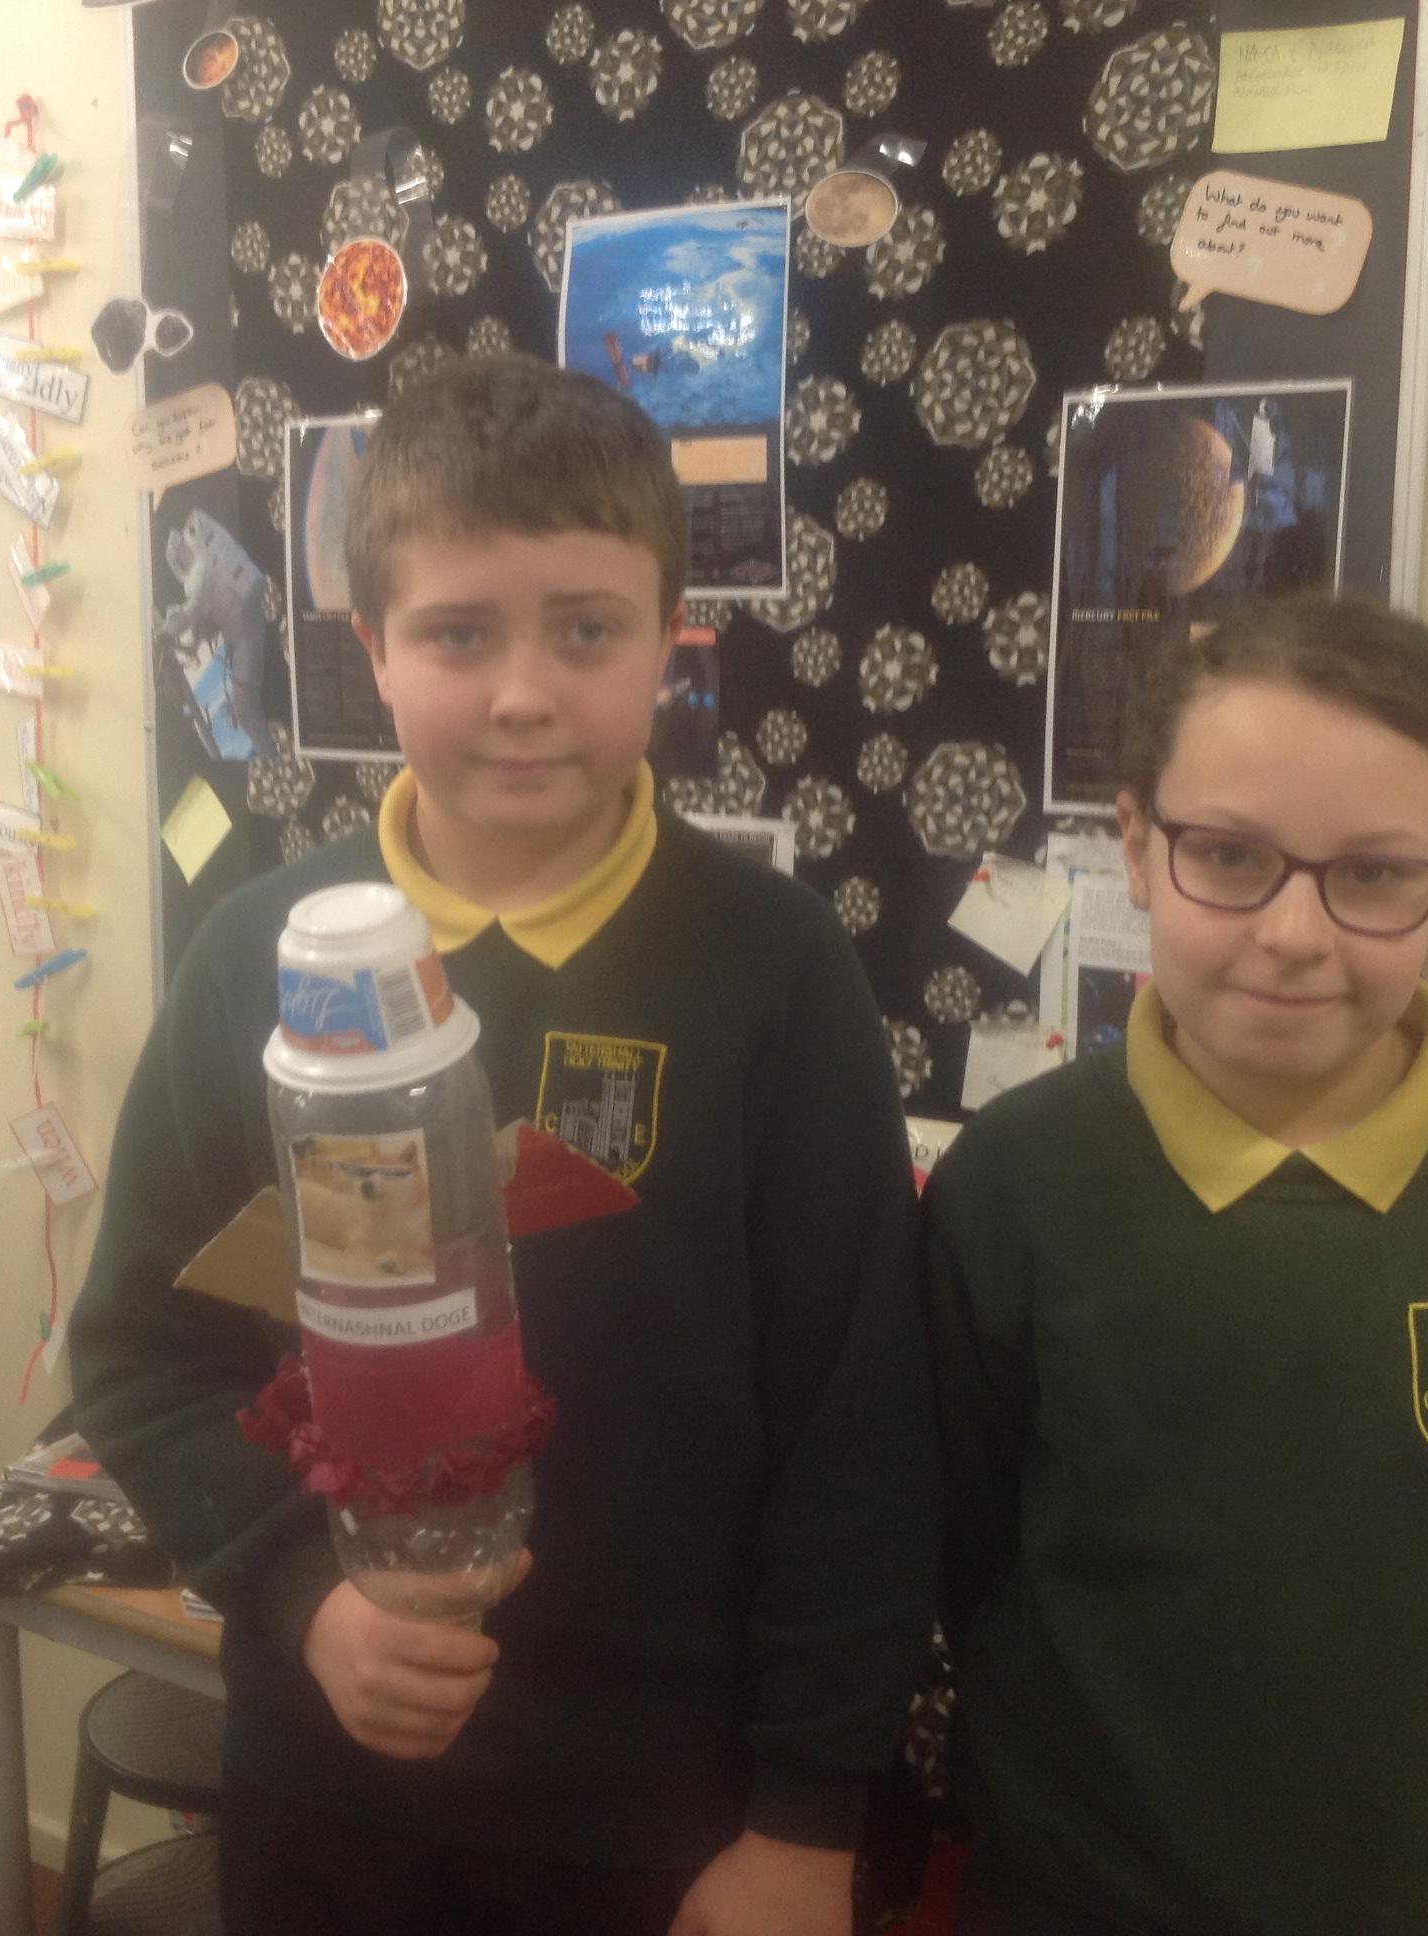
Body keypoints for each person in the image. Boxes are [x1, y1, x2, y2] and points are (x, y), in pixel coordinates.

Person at [71, 355, 935, 1936]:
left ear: (672, 636)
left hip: (673, 1819)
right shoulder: (258, 959)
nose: (524, 693)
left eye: (587, 630)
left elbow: (859, 1432)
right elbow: (142, 1354)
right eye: (460, 633)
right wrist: (302, 1592)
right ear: (370, 647)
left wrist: (808, 1821)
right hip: (334, 1792)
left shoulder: (775, 969)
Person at [926, 594, 1428, 1936]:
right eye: (1230, 856)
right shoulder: (1014, 1185)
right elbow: (968, 1548)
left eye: (1375, 875)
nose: (1294, 934)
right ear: (1137, 847)